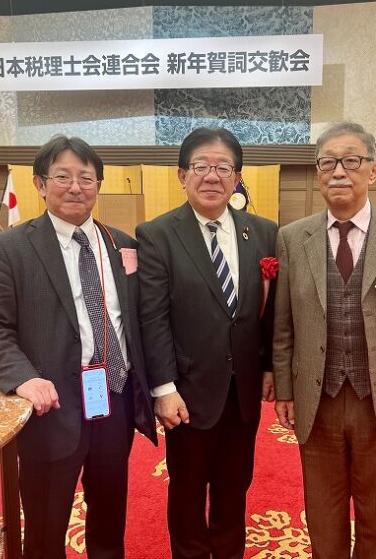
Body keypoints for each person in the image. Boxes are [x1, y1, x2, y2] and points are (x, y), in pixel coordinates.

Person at [0, 135, 157, 559]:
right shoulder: (12, 247)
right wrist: (23, 378)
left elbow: (139, 318)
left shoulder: (122, 244)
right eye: (62, 177)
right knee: (46, 521)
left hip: (114, 398)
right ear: (40, 183)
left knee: (109, 512)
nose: (76, 187)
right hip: (51, 406)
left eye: (86, 178)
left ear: (98, 185)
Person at [273, 121, 376, 559]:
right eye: (328, 162)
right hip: (318, 399)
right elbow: (284, 325)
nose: (339, 172)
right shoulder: (293, 238)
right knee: (322, 515)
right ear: (317, 172)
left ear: (373, 169)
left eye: (351, 161)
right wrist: (285, 390)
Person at [136, 127, 277, 559]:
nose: (212, 176)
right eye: (201, 166)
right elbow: (153, 317)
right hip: (188, 391)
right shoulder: (158, 234)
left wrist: (269, 367)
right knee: (188, 490)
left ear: (237, 178)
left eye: (223, 167)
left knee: (235, 487)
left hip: (243, 390)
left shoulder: (264, 232)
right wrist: (164, 388)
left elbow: (271, 311)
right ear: (182, 175)